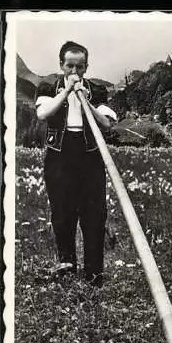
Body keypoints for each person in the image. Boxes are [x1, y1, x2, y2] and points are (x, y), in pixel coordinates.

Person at [35, 41, 118, 287]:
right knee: (62, 213)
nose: (75, 71)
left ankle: (94, 275)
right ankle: (67, 269)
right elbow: (42, 114)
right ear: (61, 65)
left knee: (94, 215)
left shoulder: (98, 90)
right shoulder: (48, 87)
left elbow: (106, 123)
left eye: (80, 67)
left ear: (86, 67)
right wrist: (67, 92)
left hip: (89, 156)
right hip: (59, 157)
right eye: (70, 66)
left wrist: (85, 100)